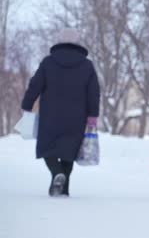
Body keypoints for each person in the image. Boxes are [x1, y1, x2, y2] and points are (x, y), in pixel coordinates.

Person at [21, 28, 100, 197]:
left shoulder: (48, 62)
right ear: (77, 43)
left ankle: (56, 173)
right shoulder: (87, 65)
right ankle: (63, 189)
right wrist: (93, 115)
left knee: (47, 148)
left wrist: (27, 105)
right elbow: (94, 92)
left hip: (50, 116)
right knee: (69, 151)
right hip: (76, 118)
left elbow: (35, 85)